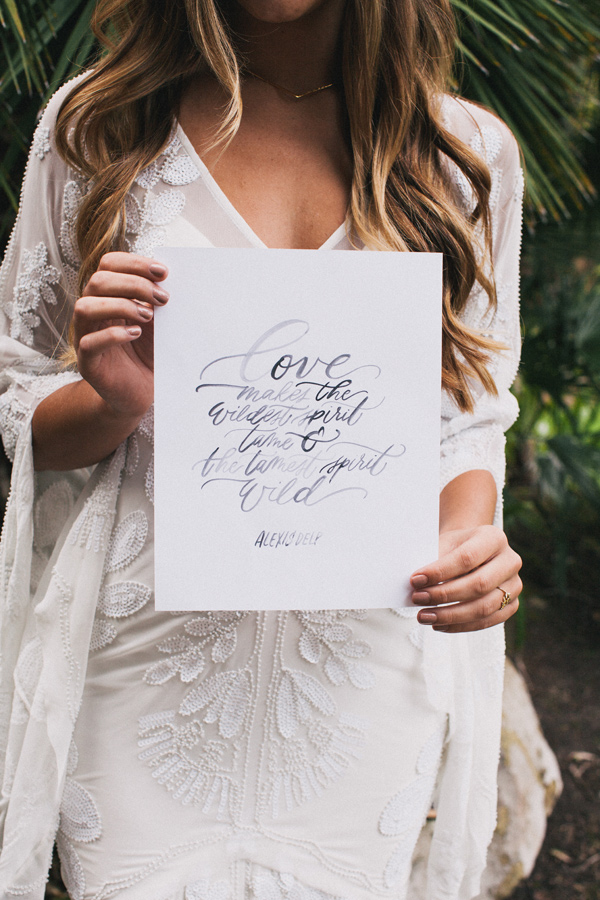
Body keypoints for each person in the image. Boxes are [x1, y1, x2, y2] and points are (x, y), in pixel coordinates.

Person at [0, 0, 524, 898]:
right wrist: (111, 400)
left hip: (360, 675)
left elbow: (468, 413)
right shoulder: (100, 126)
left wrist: (469, 539)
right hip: (143, 669)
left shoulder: (463, 152)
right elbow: (16, 398)